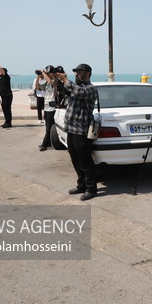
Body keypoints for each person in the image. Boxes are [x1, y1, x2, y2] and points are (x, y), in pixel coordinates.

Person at [57, 63, 99, 201]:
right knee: (75, 160)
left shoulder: (91, 89)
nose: (76, 74)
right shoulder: (75, 87)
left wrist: (65, 79)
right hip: (71, 129)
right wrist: (58, 80)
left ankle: (91, 189)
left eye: (79, 72)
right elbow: (66, 90)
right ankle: (81, 185)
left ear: (88, 73)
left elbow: (79, 93)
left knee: (85, 161)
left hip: (82, 131)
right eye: (75, 72)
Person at [38, 66, 57, 152]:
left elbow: (50, 81)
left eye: (48, 73)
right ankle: (48, 143)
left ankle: (44, 144)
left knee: (49, 127)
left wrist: (43, 73)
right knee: (47, 126)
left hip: (51, 108)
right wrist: (41, 75)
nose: (47, 75)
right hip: (46, 107)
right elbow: (39, 86)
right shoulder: (48, 82)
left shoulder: (54, 81)